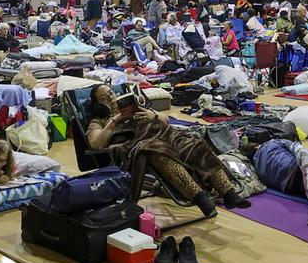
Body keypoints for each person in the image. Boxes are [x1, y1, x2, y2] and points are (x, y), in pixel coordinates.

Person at [86, 84, 249, 217]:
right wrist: (116, 120)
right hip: (140, 143)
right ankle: (200, 198)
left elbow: (166, 120)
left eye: (111, 93)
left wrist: (152, 115)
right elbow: (96, 143)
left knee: (195, 145)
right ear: (97, 104)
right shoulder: (98, 121)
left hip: (164, 134)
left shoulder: (137, 108)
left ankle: (229, 194)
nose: (111, 98)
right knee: (159, 153)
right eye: (104, 98)